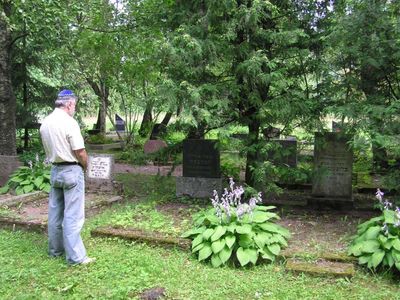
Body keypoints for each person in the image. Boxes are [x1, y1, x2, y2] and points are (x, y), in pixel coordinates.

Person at [40, 89, 95, 265]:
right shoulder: (69, 123)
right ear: (70, 104)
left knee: (55, 213)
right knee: (73, 215)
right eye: (75, 106)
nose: (75, 109)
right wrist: (86, 166)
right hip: (72, 170)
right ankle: (76, 257)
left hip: (55, 170)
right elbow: (79, 151)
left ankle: (55, 251)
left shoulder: (45, 123)